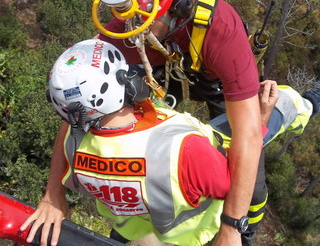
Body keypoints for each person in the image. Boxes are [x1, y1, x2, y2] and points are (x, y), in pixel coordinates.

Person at [20, 39, 319, 246]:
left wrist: (51, 195)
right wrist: (261, 124)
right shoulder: (183, 151)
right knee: (283, 103)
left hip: (131, 231)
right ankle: (312, 100)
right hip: (193, 233)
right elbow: (236, 176)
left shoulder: (75, 146)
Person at [96, 0, 267, 245]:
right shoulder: (123, 29)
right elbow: (80, 97)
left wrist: (231, 227)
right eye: (130, 23)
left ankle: (246, 232)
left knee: (252, 187)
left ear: (178, 4)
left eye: (146, 23)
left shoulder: (220, 28)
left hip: (213, 77)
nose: (137, 32)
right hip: (167, 74)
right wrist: (54, 196)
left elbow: (249, 134)